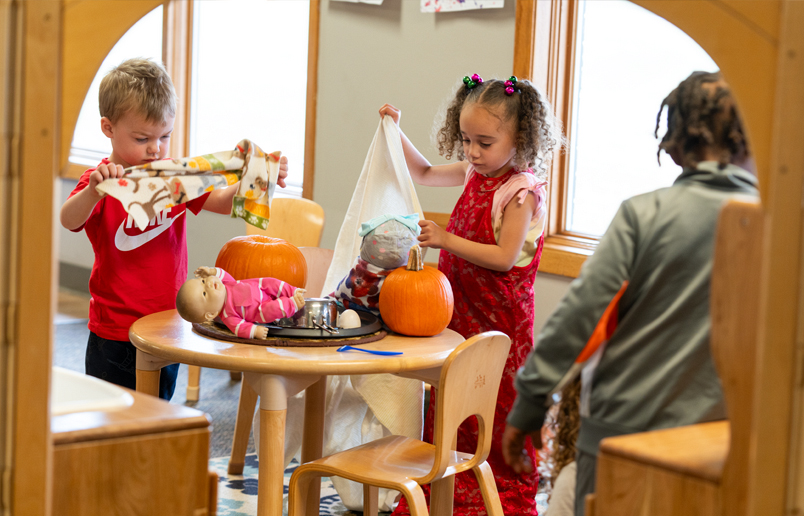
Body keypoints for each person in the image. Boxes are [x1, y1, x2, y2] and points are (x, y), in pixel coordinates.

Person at [501, 71, 758, 516]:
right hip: (727, 440)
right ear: (754, 145)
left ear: (672, 146)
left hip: (622, 431)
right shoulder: (782, 226)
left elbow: (580, 314)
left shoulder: (644, 214)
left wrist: (529, 403)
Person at [379, 73, 562, 515]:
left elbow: (503, 256)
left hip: (501, 325)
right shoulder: (470, 172)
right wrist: (394, 130)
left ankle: (494, 492)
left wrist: (445, 239)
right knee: (452, 403)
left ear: (520, 139)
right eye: (465, 140)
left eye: (484, 142)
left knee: (494, 410)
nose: (473, 152)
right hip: (461, 315)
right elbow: (421, 171)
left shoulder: (520, 194)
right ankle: (446, 485)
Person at [59, 58, 289, 400]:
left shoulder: (174, 177)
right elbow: (69, 219)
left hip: (167, 322)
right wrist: (93, 191)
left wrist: (261, 178)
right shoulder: (99, 181)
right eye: (142, 138)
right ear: (108, 128)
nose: (155, 148)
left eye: (164, 136)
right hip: (115, 327)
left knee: (159, 408)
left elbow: (225, 203)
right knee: (112, 414)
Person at [175, 266, 306, 339]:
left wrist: (211, 271)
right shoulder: (228, 316)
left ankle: (292, 291)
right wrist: (254, 331)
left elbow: (222, 274)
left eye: (203, 281)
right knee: (271, 310)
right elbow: (240, 328)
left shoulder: (226, 284)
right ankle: (292, 304)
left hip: (260, 286)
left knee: (271, 282)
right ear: (211, 314)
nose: (208, 284)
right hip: (259, 309)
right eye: (204, 293)